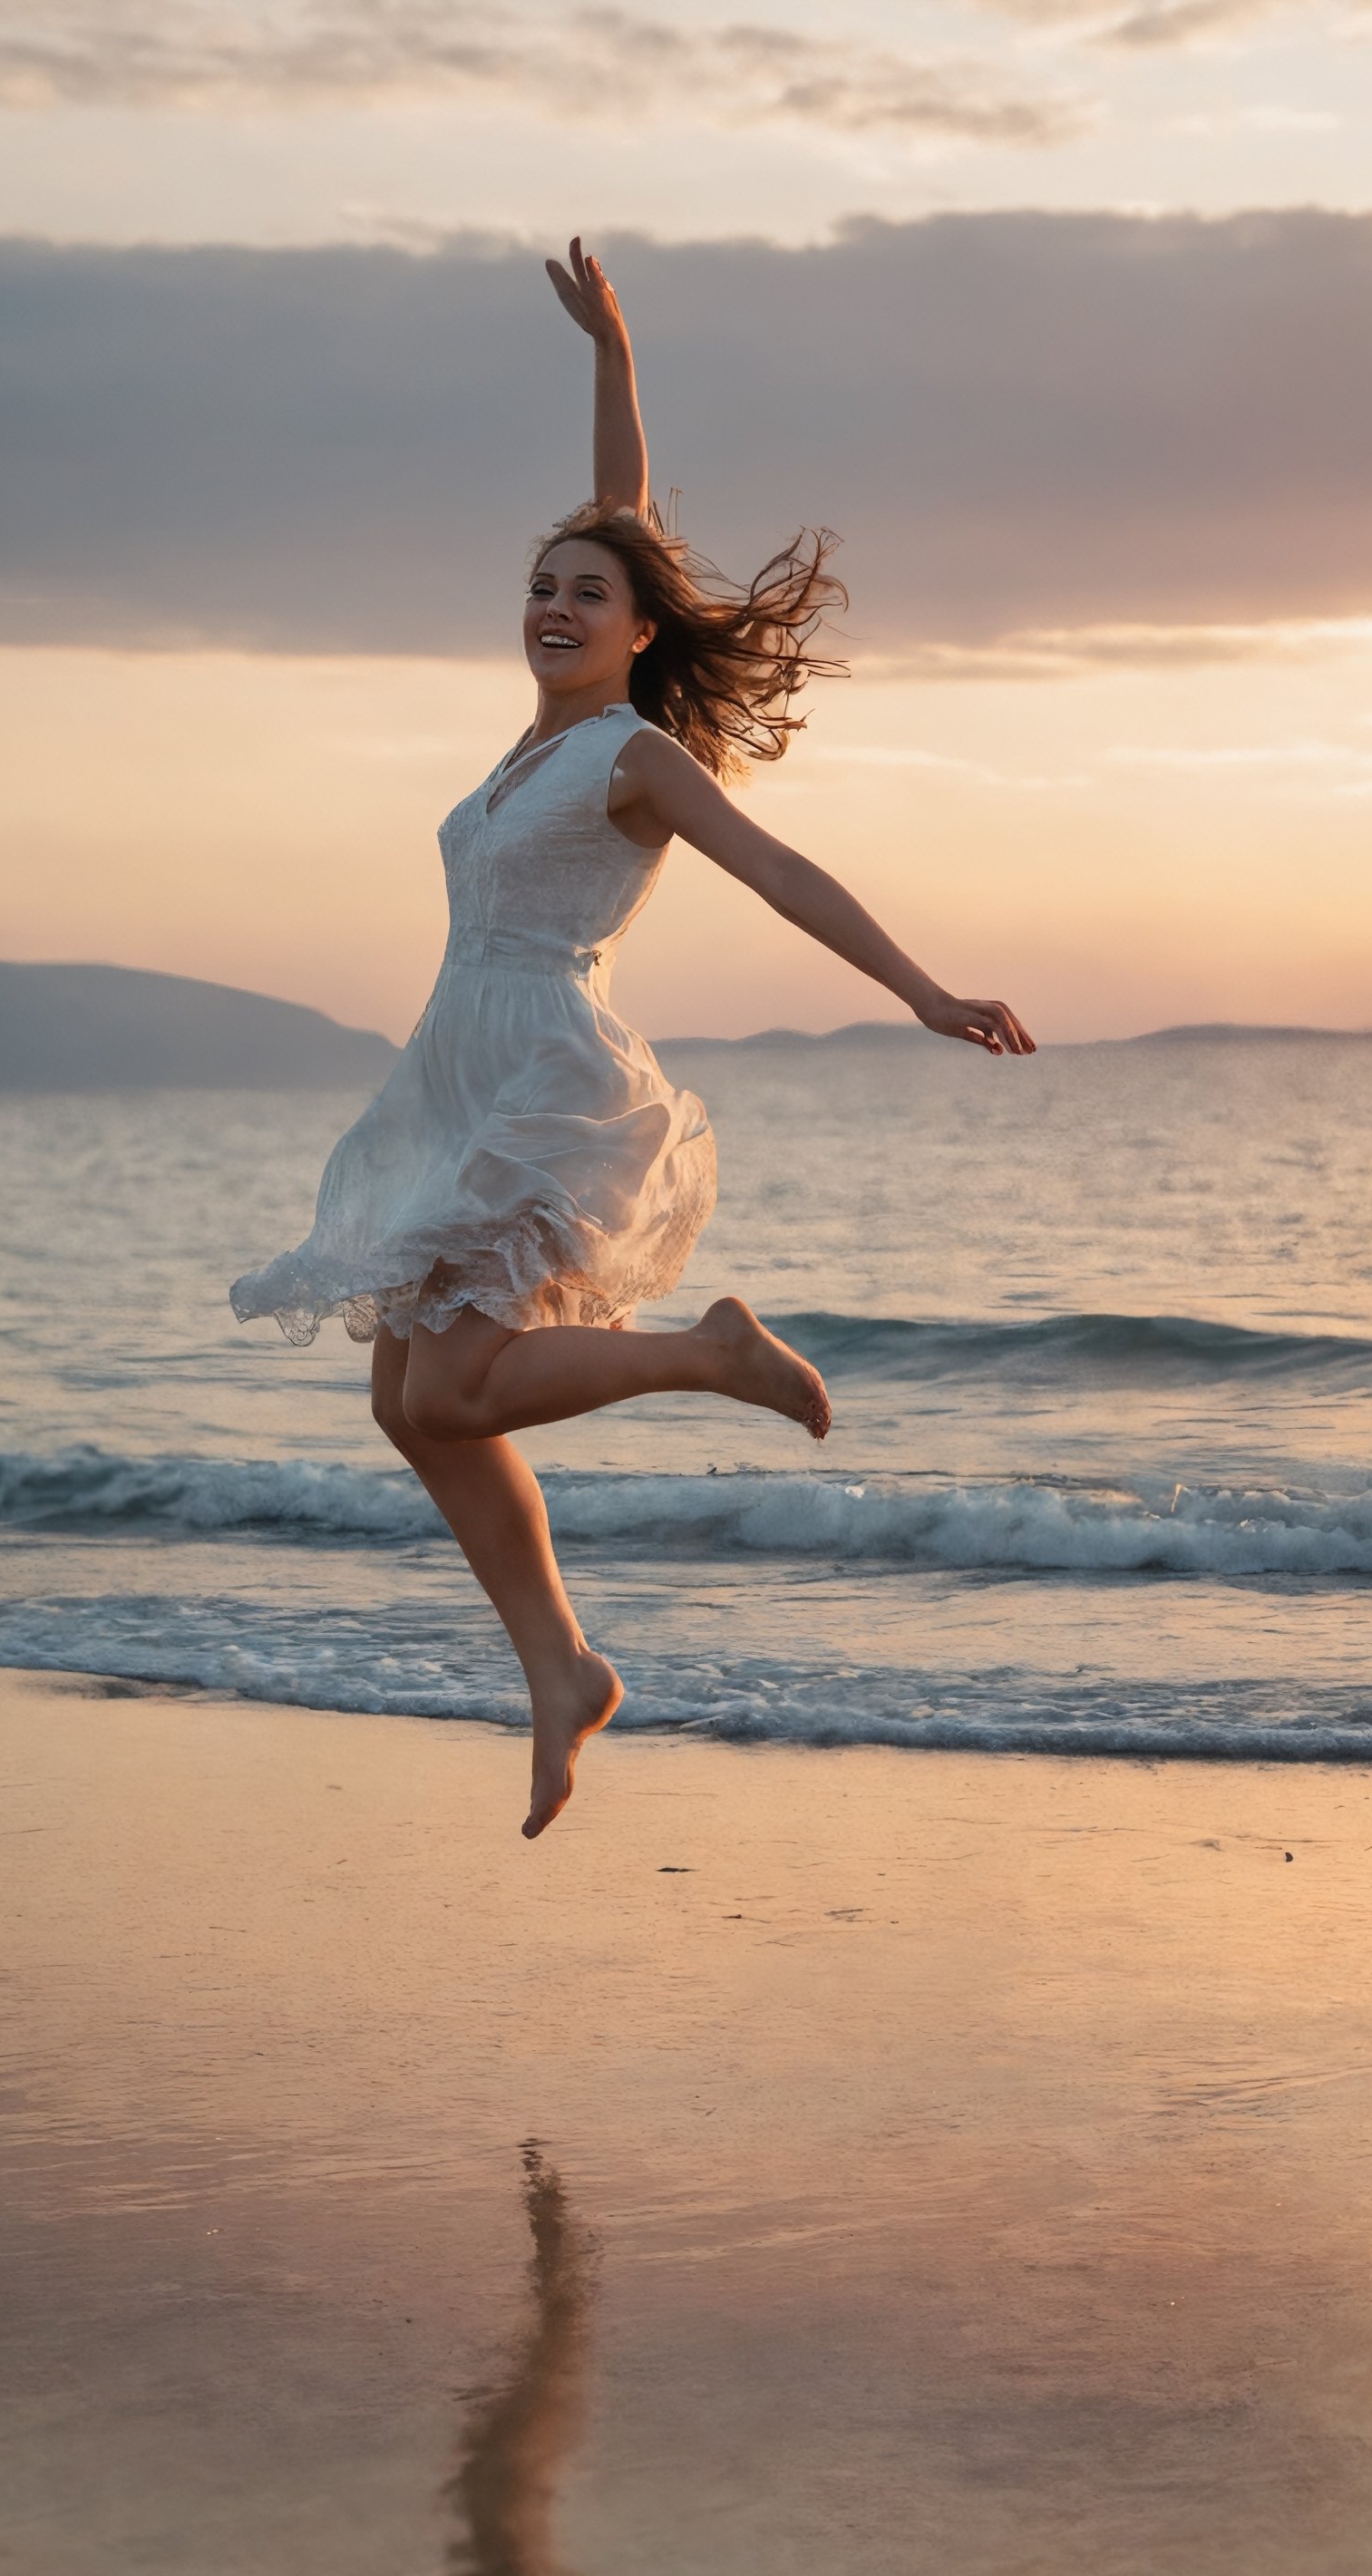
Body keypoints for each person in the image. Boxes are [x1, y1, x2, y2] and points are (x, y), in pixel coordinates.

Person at [232, 238, 1035, 1838]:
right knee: (406, 1401)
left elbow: (783, 872)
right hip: (454, 1076)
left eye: (587, 596)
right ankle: (560, 1671)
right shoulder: (529, 749)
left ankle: (706, 1357)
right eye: (541, 583)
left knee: (451, 1391)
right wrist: (612, 348)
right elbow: (625, 517)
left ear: (637, 635)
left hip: (542, 1074)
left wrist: (923, 991)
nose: (555, 603)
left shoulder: (633, 755)